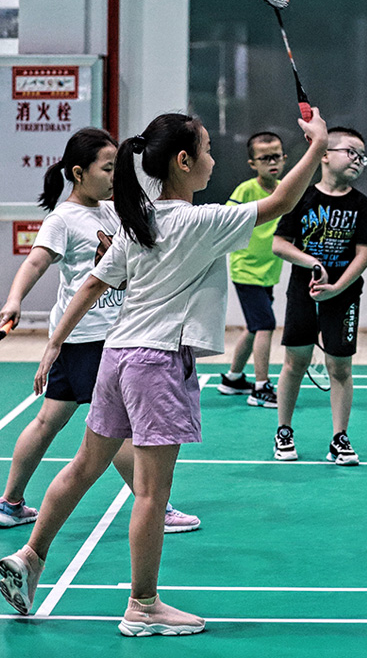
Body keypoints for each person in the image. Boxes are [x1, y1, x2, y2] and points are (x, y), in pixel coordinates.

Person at [0, 109, 328, 635]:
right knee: (151, 493)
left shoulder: (140, 219)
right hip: (157, 363)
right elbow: (282, 202)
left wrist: (55, 342)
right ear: (183, 161)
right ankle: (143, 606)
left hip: (117, 354)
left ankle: (28, 558)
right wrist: (317, 145)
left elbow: (92, 284)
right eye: (207, 150)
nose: (213, 159)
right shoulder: (200, 222)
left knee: (84, 466)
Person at [0, 128, 199, 534]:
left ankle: (10, 503)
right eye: (107, 169)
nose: (114, 176)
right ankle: (154, 507)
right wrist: (14, 299)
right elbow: (36, 261)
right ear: (78, 173)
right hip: (89, 338)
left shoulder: (112, 210)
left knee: (48, 420)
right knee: (117, 431)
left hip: (95, 338)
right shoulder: (63, 218)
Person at [271, 126, 367, 465]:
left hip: (343, 295)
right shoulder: (301, 198)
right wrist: (313, 263)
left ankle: (339, 438)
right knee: (295, 363)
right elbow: (280, 245)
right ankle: (284, 431)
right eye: (351, 152)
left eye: (362, 156)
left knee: (340, 367)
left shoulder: (361, 205)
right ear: (324, 155)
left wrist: (337, 287)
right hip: (303, 292)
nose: (358, 160)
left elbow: (364, 254)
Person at [218, 131, 288, 408]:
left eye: (276, 156)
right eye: (265, 158)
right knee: (266, 325)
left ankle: (233, 378)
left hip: (269, 270)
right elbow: (226, 220)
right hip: (246, 269)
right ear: (253, 163)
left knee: (254, 326)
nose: (272, 162)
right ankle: (261, 387)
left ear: (284, 158)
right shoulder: (245, 191)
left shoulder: (285, 189)